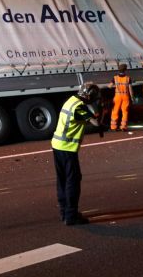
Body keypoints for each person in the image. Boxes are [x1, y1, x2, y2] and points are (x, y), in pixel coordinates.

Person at [51, 82, 100, 226]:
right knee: (73, 181)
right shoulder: (79, 108)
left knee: (62, 180)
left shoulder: (71, 101)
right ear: (90, 96)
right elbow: (96, 122)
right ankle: (71, 215)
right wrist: (96, 109)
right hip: (67, 148)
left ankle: (64, 212)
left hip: (57, 145)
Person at [108, 63, 134, 131]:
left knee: (115, 111)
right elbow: (130, 89)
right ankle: (123, 126)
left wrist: (116, 86)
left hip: (117, 96)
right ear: (125, 70)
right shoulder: (128, 78)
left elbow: (109, 86)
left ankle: (113, 127)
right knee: (125, 111)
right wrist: (132, 97)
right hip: (125, 96)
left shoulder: (115, 78)